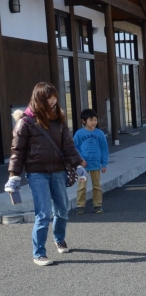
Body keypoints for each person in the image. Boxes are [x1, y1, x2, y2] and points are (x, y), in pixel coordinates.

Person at [5, 82, 87, 266]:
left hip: (58, 171)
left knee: (62, 210)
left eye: (55, 97)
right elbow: (17, 151)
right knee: (43, 214)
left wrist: (78, 165)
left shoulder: (59, 119)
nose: (53, 101)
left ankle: (59, 238)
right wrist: (13, 176)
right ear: (39, 99)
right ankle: (39, 253)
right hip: (37, 173)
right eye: (49, 98)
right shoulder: (25, 122)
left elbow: (68, 146)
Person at [74, 109, 109, 215]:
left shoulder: (100, 134)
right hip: (82, 166)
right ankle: (80, 206)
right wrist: (80, 159)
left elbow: (104, 149)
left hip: (95, 165)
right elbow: (74, 147)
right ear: (84, 121)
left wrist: (104, 163)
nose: (94, 122)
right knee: (81, 186)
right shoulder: (79, 133)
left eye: (95, 120)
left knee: (97, 186)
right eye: (91, 120)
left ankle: (98, 205)